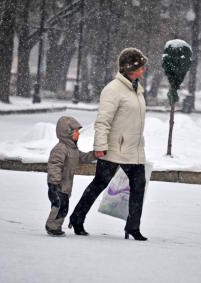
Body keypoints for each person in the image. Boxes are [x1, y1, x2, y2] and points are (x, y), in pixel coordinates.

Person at [68, 47, 149, 241]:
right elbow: (103, 121)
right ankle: (77, 218)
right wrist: (100, 147)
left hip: (134, 150)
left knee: (139, 185)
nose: (144, 70)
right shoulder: (113, 90)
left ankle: (133, 227)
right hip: (113, 149)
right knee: (99, 183)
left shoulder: (136, 89)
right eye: (140, 67)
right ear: (129, 69)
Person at [45, 116, 96, 236]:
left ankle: (55, 226)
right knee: (58, 207)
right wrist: (54, 183)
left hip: (66, 186)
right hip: (57, 185)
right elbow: (54, 165)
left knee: (63, 207)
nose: (78, 134)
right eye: (76, 132)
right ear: (67, 133)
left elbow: (83, 157)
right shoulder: (60, 149)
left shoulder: (73, 149)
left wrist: (95, 155)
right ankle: (51, 226)